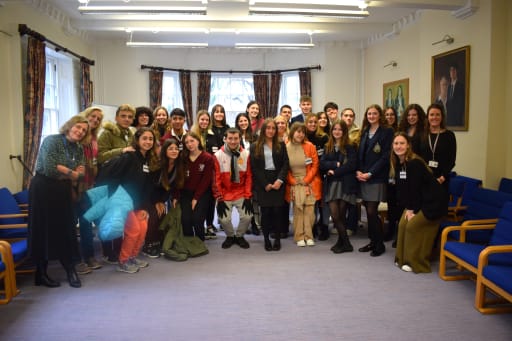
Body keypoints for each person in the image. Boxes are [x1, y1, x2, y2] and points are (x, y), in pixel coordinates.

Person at [29, 115, 89, 288]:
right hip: (43, 189)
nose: (80, 131)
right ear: (69, 126)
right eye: (78, 127)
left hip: (63, 190)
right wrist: (72, 173)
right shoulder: (52, 141)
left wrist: (65, 171)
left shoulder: (78, 148)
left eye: (84, 130)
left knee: (67, 229)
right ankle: (40, 273)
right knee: (43, 230)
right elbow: (49, 167)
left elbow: (82, 171)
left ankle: (71, 270)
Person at [97, 127, 159, 273]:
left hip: (137, 203)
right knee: (133, 230)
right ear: (137, 140)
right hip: (121, 202)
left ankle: (132, 256)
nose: (148, 142)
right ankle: (123, 261)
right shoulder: (128, 157)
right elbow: (107, 174)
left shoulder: (146, 160)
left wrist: (143, 207)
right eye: (144, 138)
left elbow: (145, 186)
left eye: (151, 139)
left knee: (143, 228)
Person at [391, 132, 447, 273]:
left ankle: (415, 262)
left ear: (408, 145)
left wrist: (413, 210)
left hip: (433, 204)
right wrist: (408, 208)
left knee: (412, 226)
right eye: (396, 143)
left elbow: (415, 189)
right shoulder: (399, 164)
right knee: (403, 224)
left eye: (402, 143)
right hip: (419, 201)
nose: (399, 146)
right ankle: (401, 258)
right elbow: (405, 190)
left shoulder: (414, 163)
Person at [97, 104, 136, 264]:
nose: (126, 119)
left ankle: (118, 249)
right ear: (116, 117)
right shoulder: (107, 133)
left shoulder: (131, 133)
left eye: (129, 117)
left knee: (120, 217)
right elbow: (100, 157)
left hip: (123, 182)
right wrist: (122, 151)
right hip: (107, 181)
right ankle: (108, 251)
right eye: (123, 116)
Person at [356, 104, 394, 257]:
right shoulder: (365, 131)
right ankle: (372, 241)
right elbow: (361, 154)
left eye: (374, 113)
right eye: (369, 113)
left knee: (372, 211)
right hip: (363, 177)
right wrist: (359, 171)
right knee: (368, 210)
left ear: (380, 115)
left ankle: (379, 244)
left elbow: (385, 157)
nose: (371, 116)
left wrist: (370, 173)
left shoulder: (387, 131)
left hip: (376, 177)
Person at [250, 119, 289, 251]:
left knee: (278, 212)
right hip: (263, 181)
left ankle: (277, 239)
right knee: (265, 212)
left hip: (278, 180)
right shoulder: (255, 146)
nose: (271, 130)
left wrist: (280, 181)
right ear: (263, 130)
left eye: (273, 128)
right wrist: (265, 183)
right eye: (268, 128)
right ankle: (266, 239)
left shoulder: (281, 144)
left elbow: (285, 164)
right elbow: (255, 168)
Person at [320, 120, 358, 253]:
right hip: (332, 185)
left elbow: (351, 165)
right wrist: (335, 164)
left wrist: (335, 171)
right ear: (331, 131)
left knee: (341, 215)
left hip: (345, 184)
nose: (337, 132)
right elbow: (322, 164)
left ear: (344, 131)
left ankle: (342, 242)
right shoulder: (327, 146)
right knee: (335, 215)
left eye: (340, 129)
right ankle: (346, 243)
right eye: (335, 129)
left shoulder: (350, 146)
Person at [144, 137, 185, 258]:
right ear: (165, 151)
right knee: (155, 215)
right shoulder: (157, 165)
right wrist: (157, 201)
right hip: (148, 196)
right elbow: (150, 186)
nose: (174, 151)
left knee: (163, 216)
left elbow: (172, 187)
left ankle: (158, 242)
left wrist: (163, 200)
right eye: (170, 149)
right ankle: (148, 245)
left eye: (176, 149)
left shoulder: (178, 166)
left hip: (161, 197)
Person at [213, 128, 253, 249]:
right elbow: (216, 180)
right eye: (230, 138)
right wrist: (219, 198)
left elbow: (249, 177)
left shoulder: (246, 154)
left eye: (236, 138)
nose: (233, 141)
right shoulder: (218, 155)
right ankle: (230, 236)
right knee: (223, 219)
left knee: (247, 216)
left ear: (240, 139)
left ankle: (240, 236)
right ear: (225, 139)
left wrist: (247, 196)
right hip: (225, 193)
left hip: (241, 192)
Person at [76, 106, 104, 275]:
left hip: (88, 187)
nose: (95, 120)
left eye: (98, 119)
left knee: (86, 224)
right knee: (72, 226)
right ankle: (75, 261)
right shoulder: (78, 136)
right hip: (73, 188)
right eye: (92, 116)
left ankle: (89, 257)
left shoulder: (94, 138)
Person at [285, 122, 322, 247]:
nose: (300, 134)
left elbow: (315, 164)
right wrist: (292, 181)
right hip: (294, 183)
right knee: (298, 210)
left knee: (310, 210)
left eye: (302, 132)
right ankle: (299, 236)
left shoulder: (310, 146)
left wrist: (307, 180)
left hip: (309, 182)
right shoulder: (286, 146)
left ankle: (309, 235)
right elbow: (284, 167)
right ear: (292, 132)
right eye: (298, 131)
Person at [180, 132, 215, 241]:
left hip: (202, 193)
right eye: (187, 142)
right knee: (186, 219)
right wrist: (176, 196)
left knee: (197, 219)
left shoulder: (207, 158)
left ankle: (200, 241)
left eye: (192, 141)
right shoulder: (183, 157)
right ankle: (189, 242)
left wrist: (196, 198)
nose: (190, 144)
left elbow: (206, 181)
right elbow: (179, 179)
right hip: (186, 193)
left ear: (198, 141)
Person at [190, 109, 218, 239]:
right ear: (198, 120)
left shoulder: (213, 135)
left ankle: (210, 225)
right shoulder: (192, 134)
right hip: (196, 171)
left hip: (210, 170)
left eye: (207, 120)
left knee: (211, 199)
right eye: (202, 119)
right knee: (198, 198)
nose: (204, 122)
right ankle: (197, 225)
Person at [419, 103, 457, 198]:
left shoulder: (449, 135)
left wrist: (442, 177)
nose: (434, 117)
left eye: (437, 114)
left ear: (442, 117)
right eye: (431, 115)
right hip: (424, 180)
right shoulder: (421, 135)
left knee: (439, 210)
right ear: (427, 117)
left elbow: (451, 160)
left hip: (442, 180)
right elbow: (417, 157)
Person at [304, 113, 329, 240]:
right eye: (310, 122)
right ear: (306, 123)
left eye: (315, 122)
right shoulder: (302, 137)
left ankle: (324, 227)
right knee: (311, 203)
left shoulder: (324, 138)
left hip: (322, 173)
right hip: (308, 174)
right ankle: (312, 226)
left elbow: (326, 156)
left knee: (323, 203)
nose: (313, 124)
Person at [341, 107, 361, 236]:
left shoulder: (358, 132)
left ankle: (351, 226)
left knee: (352, 200)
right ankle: (341, 224)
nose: (348, 118)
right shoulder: (338, 129)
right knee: (341, 199)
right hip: (340, 169)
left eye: (351, 116)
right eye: (346, 115)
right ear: (341, 117)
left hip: (353, 168)